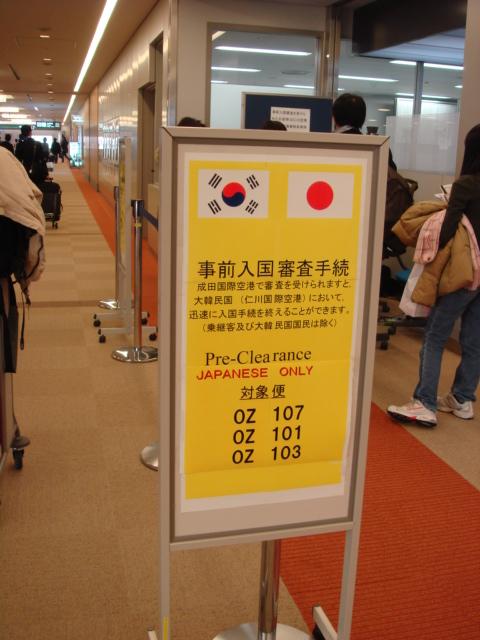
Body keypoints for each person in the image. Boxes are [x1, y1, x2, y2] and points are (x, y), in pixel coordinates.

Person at [388, 124, 480, 427]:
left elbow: (446, 233)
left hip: (463, 274)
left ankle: (424, 402)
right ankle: (462, 398)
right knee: (473, 339)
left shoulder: (466, 185)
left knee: (435, 335)